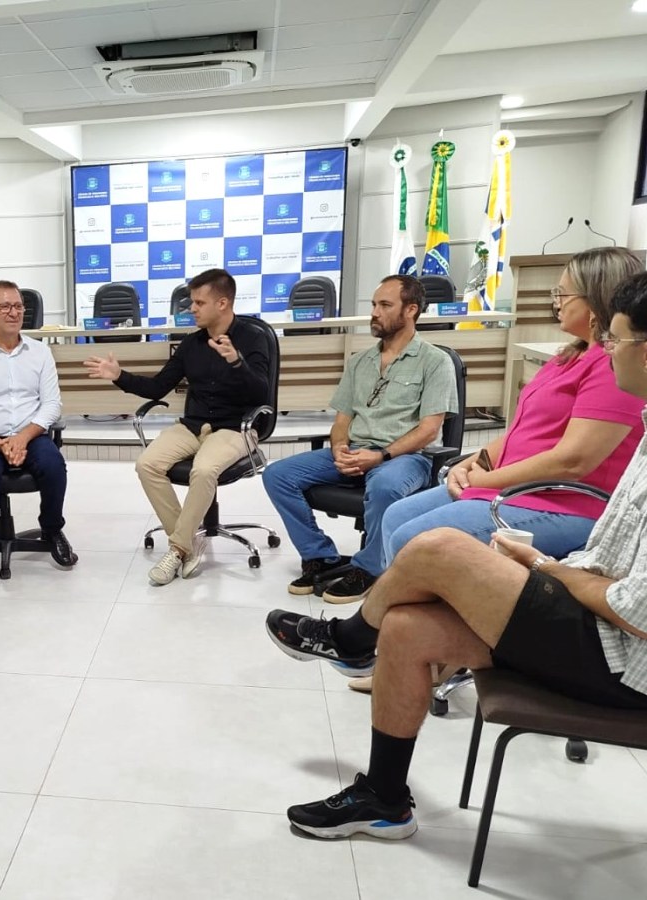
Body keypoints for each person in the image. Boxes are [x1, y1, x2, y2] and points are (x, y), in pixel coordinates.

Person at [263, 270, 647, 842]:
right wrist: (478, 466)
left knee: (436, 545)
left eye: (616, 339)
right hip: (596, 616)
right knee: (405, 626)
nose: (607, 351)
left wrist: (546, 570)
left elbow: (633, 607)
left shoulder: (603, 391)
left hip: (624, 661)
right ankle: (384, 799)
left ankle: (350, 638)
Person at [381, 247, 645, 564]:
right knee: (395, 516)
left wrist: (485, 479)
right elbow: (522, 433)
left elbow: (573, 461)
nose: (556, 302)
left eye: (563, 294)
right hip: (516, 490)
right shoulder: (568, 357)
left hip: (565, 504)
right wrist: (467, 465)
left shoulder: (612, 365)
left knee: (412, 540)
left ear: (595, 300)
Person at [261, 275, 458, 603]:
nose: (374, 313)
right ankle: (320, 555)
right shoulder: (359, 362)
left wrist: (380, 456)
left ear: (410, 310)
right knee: (277, 475)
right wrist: (340, 447)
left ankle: (369, 568)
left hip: (404, 457)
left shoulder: (435, 362)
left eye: (385, 305)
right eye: (374, 304)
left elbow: (428, 430)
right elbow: (342, 421)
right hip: (355, 450)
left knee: (385, 487)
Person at [83, 268, 271, 585]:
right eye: (192, 302)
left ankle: (176, 550)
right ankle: (186, 545)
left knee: (203, 469)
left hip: (236, 427)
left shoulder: (253, 338)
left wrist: (237, 362)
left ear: (222, 303)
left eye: (199, 303)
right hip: (193, 425)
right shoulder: (191, 344)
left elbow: (262, 393)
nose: (192, 309)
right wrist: (119, 376)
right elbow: (158, 387)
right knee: (147, 464)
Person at [0, 279, 77, 585]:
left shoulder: (40, 352)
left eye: (19, 306)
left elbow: (52, 405)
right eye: (5, 306)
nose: (14, 312)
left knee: (53, 464)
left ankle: (52, 529)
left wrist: (22, 437)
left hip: (31, 434)